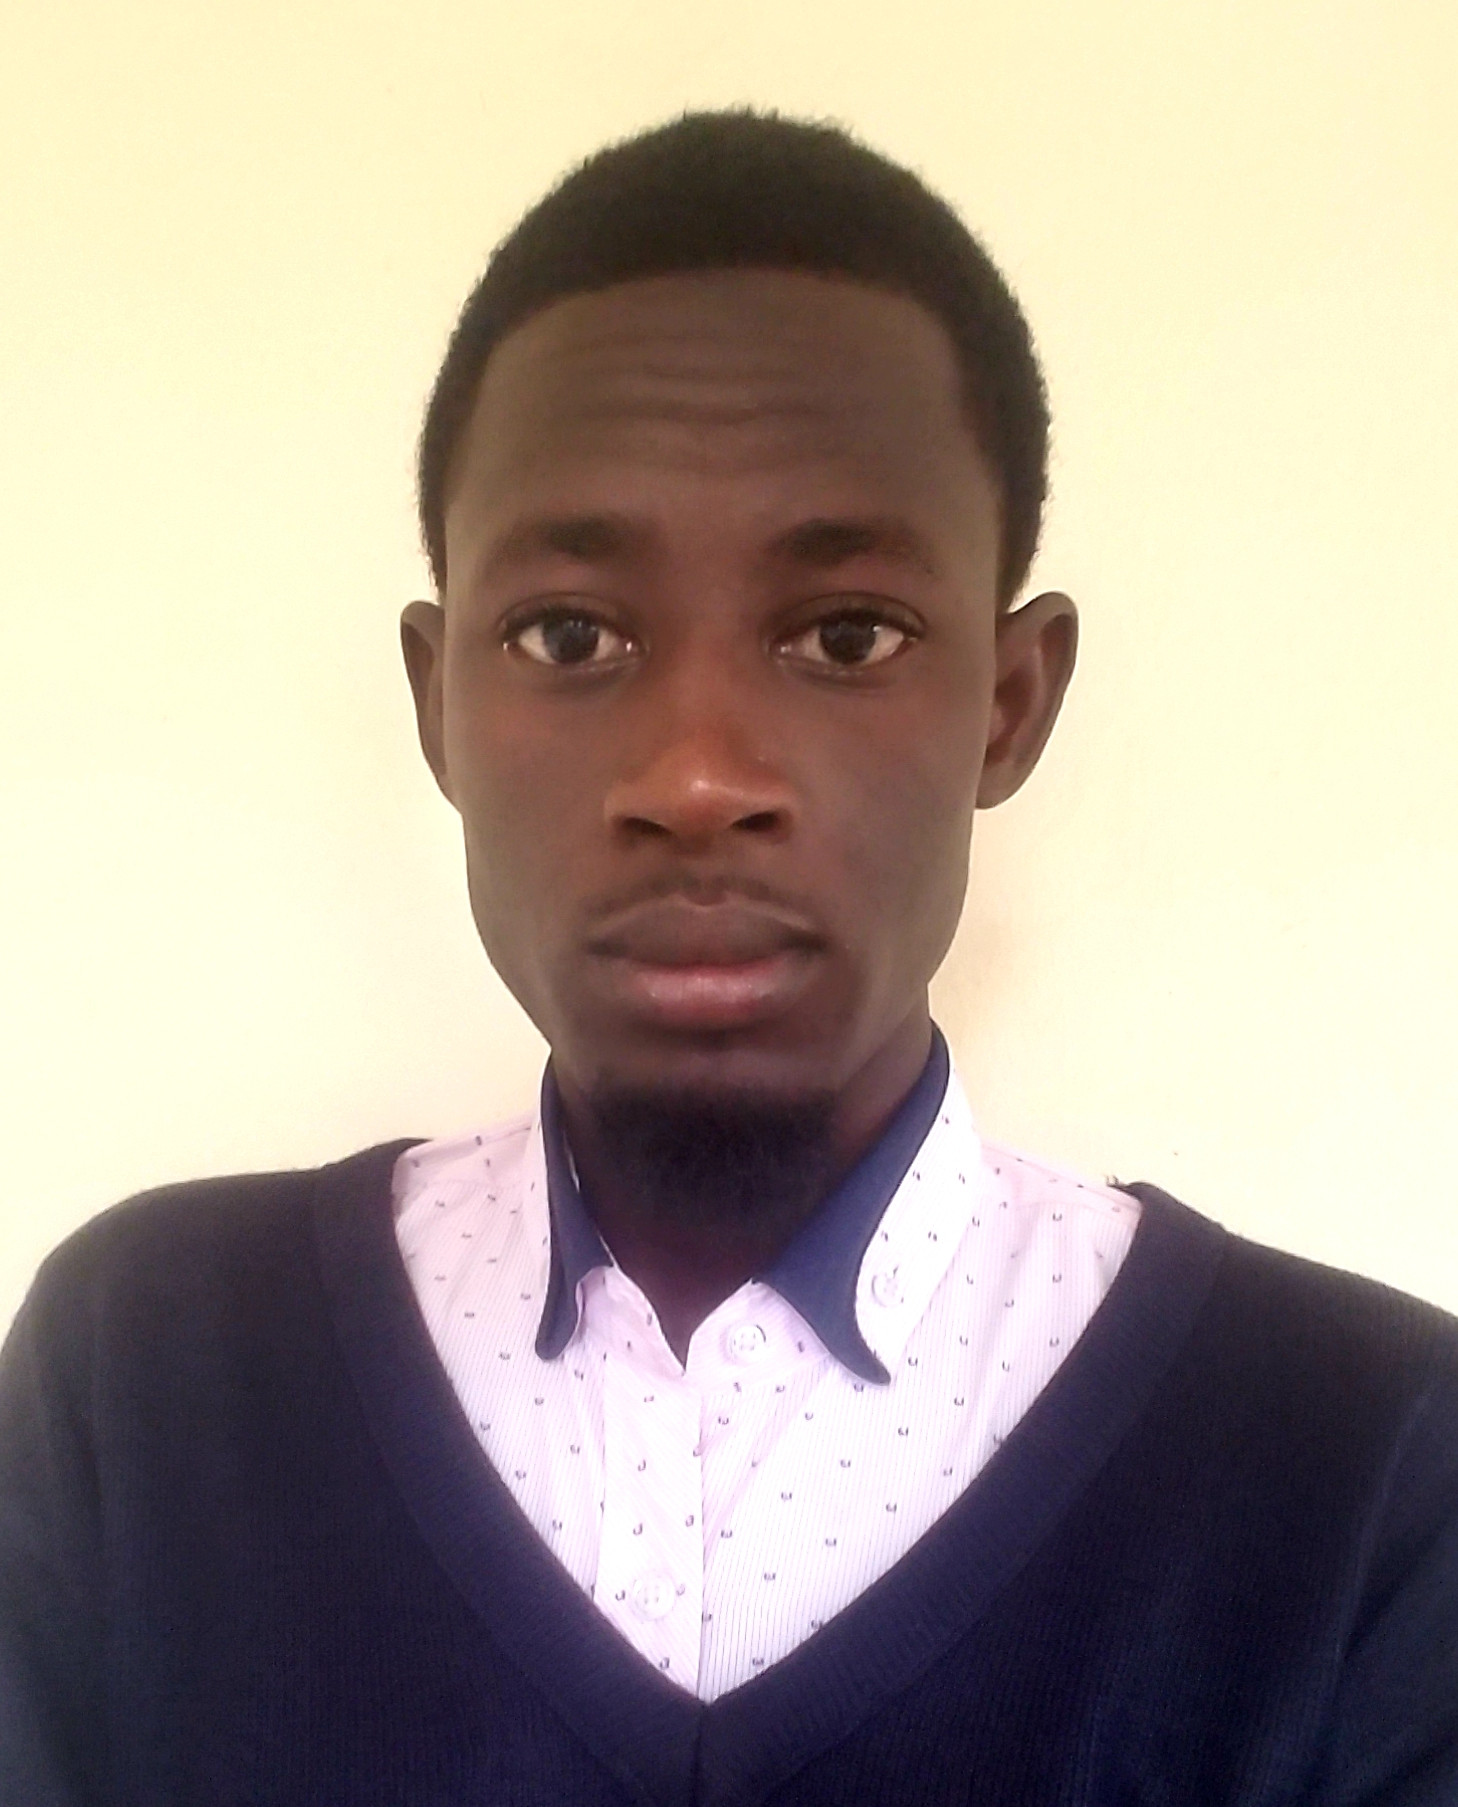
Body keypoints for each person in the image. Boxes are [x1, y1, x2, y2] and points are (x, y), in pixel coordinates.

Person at [2, 107, 1455, 1807]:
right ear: (437, 702)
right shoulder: (151, 1380)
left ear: (1008, 703)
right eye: (569, 634)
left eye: (845, 634)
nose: (696, 777)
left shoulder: (1366, 1469)